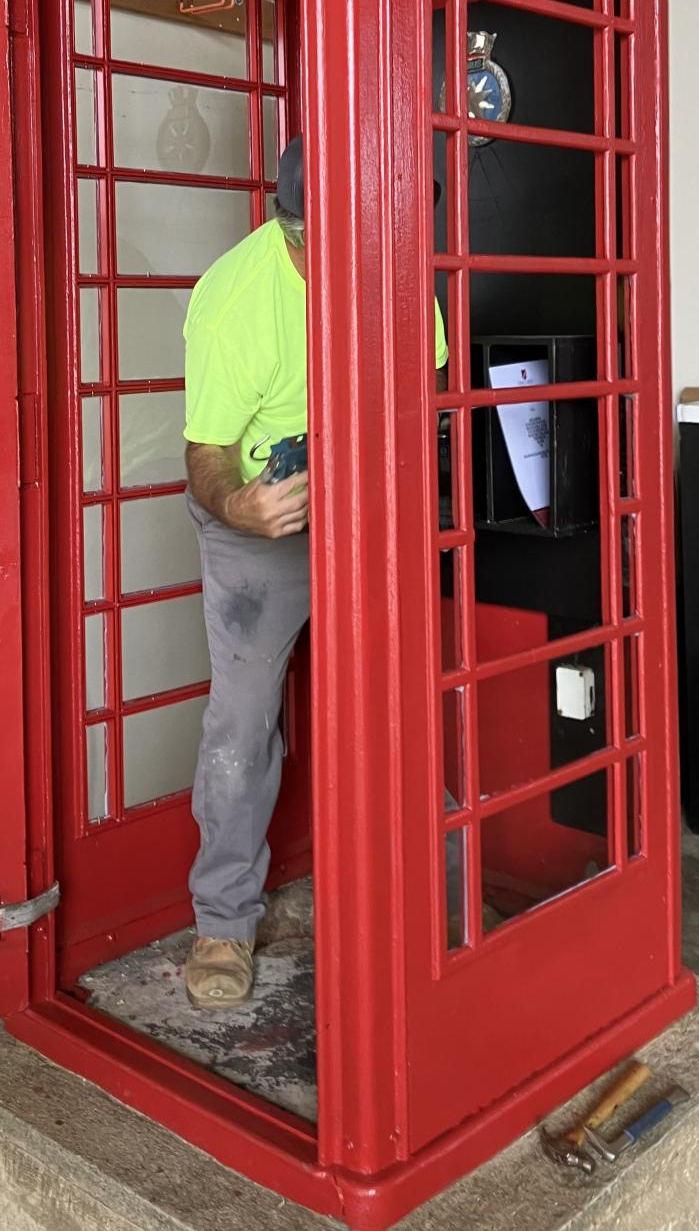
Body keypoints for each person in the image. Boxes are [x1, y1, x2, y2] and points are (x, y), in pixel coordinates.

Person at [180, 135, 448, 1008]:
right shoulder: (234, 302)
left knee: (401, 694)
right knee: (245, 720)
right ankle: (223, 920)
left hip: (367, 502)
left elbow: (425, 387)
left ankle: (426, 894)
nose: (373, 246)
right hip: (263, 512)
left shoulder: (397, 265)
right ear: (296, 230)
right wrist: (242, 508)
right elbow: (206, 452)